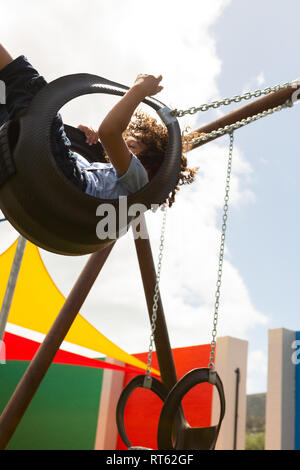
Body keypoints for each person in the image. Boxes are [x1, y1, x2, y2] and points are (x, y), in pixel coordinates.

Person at [0, 44, 198, 207]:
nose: (123, 151)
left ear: (151, 163)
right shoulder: (115, 184)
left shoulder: (141, 181)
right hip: (51, 188)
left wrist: (139, 90)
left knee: (34, 96)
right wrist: (85, 140)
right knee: (7, 111)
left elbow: (109, 131)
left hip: (65, 184)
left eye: (132, 147)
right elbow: (101, 141)